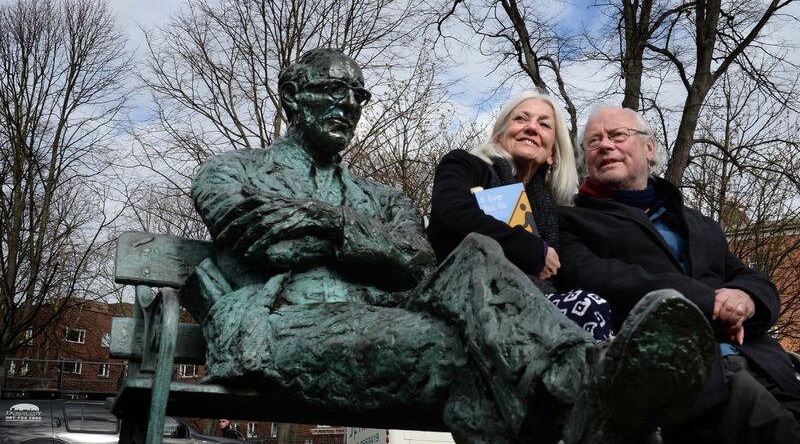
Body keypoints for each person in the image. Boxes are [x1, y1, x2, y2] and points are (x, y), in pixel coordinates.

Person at [189, 48, 715, 444]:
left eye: (357, 96)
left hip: (386, 315)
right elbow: (254, 235)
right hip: (284, 322)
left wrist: (322, 228)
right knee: (475, 358)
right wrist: (355, 235)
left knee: (478, 260)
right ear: (290, 98)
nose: (348, 105)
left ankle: (589, 383)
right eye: (331, 90)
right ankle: (594, 392)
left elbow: (416, 262)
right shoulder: (230, 172)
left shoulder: (383, 195)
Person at [557, 105, 800, 443]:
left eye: (617, 135)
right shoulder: (572, 222)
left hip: (767, 367)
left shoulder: (699, 223)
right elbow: (599, 277)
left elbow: (753, 279)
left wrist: (745, 298)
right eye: (593, 141)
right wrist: (708, 301)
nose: (605, 145)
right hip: (684, 380)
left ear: (649, 148)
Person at [428, 91, 613, 340]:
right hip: (467, 293)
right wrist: (532, 250)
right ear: (498, 136)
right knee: (588, 307)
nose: (531, 128)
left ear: (552, 154)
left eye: (544, 124)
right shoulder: (466, 165)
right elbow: (451, 212)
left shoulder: (556, 212)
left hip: (542, 302)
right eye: (520, 119)